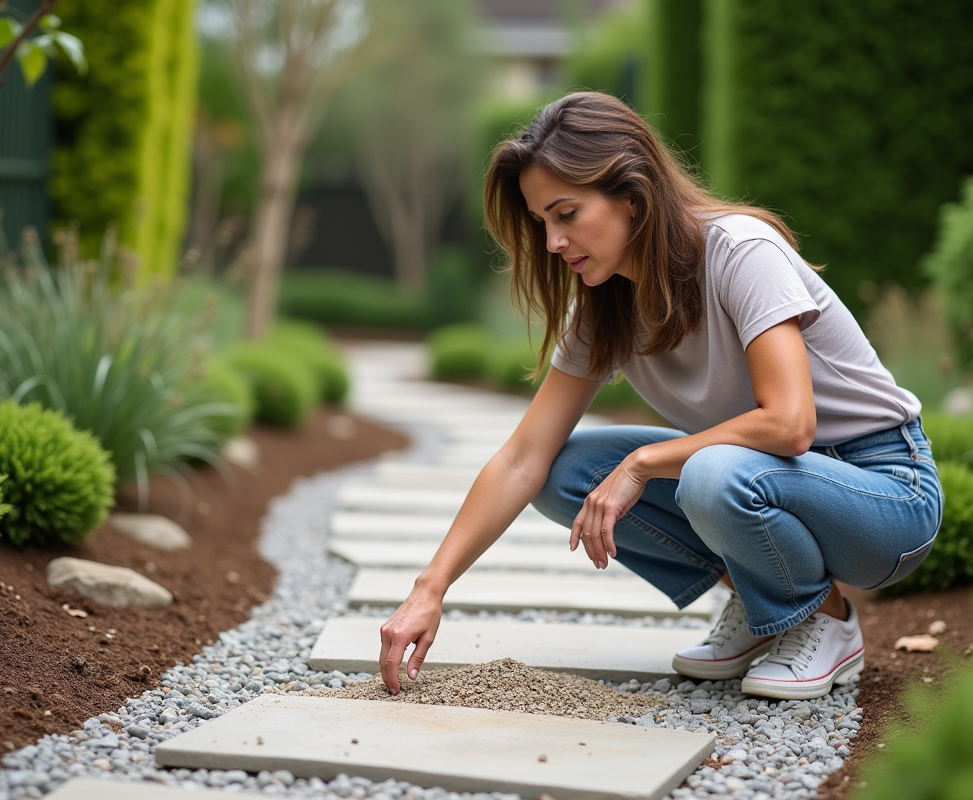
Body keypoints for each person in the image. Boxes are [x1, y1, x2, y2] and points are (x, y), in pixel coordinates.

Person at [378, 91, 942, 701]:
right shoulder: (606, 307)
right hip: (764, 478)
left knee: (709, 472)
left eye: (566, 214)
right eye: (542, 222)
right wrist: (429, 587)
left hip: (886, 497)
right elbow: (522, 458)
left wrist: (642, 463)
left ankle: (822, 618)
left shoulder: (739, 251)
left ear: (633, 195)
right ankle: (765, 605)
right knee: (566, 472)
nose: (551, 243)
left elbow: (789, 424)